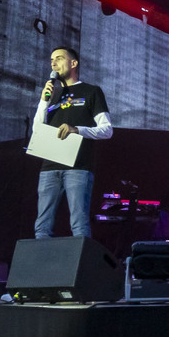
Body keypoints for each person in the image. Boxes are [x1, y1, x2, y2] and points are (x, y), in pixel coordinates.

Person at [34, 46, 113, 239]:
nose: (54, 63)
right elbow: (37, 130)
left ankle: (80, 258)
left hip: (78, 166)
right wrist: (44, 101)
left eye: (59, 58)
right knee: (42, 225)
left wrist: (77, 130)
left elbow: (107, 130)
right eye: (52, 60)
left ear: (73, 63)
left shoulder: (91, 91)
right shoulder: (52, 94)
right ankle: (41, 258)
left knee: (78, 223)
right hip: (49, 166)